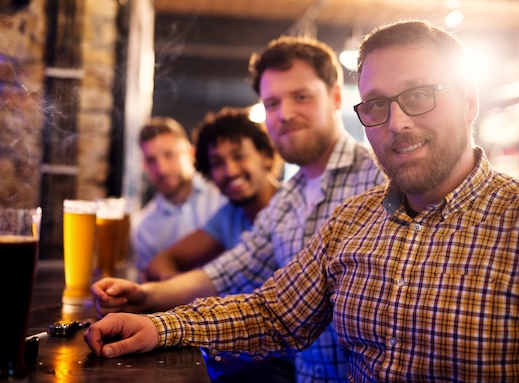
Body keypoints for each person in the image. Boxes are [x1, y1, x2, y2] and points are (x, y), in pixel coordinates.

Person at [89, 36, 386, 382]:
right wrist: (144, 298)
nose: (285, 114)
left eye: (301, 96)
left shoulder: (380, 179)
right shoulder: (288, 199)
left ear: (335, 96)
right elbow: (231, 273)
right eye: (272, 103)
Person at [144, 106, 281, 282]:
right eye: (217, 163)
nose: (230, 171)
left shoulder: (293, 205)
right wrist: (174, 286)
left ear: (265, 157)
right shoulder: (230, 215)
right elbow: (162, 261)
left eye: (239, 156)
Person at [130, 117, 227, 278]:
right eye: (151, 160)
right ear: (144, 166)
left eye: (169, 155)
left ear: (190, 153)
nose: (161, 169)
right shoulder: (143, 229)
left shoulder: (223, 196)